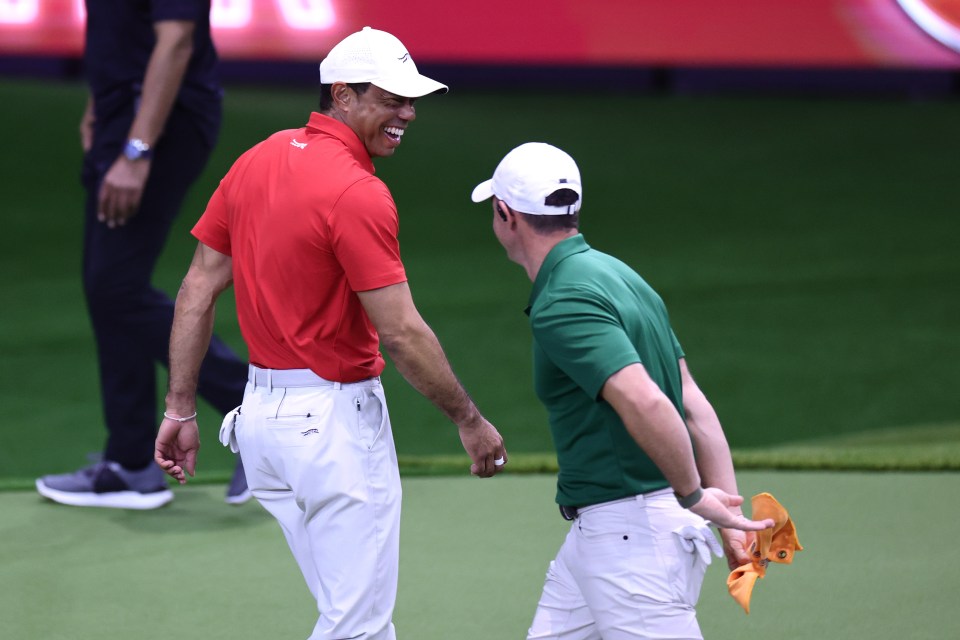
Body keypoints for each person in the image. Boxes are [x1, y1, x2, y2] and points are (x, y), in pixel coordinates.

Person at [154, 26, 508, 640]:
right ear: (342, 95)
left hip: (262, 429)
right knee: (358, 626)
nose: (408, 112)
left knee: (353, 613)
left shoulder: (255, 160)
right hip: (332, 433)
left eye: (410, 98)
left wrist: (180, 406)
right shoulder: (358, 192)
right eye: (391, 98)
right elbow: (400, 332)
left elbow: (196, 289)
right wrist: (469, 420)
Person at [470, 142, 774, 640]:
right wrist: (731, 520)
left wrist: (695, 495)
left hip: (633, 541)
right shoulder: (621, 275)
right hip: (604, 536)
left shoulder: (563, 298)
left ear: (506, 214)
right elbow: (691, 401)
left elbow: (647, 400)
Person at [34, 1, 251, 509]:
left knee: (116, 287)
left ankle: (250, 406)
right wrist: (99, 107)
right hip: (124, 118)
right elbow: (119, 31)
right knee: (108, 287)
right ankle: (131, 463)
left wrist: (137, 149)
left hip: (160, 123)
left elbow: (175, 38)